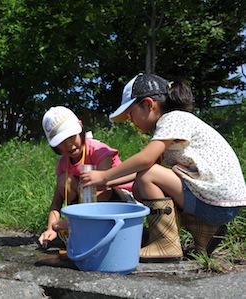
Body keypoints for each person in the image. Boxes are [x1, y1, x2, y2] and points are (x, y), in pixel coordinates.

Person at [82, 73, 246, 261]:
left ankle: (165, 244)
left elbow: (145, 162)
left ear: (148, 104)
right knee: (140, 185)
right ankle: (206, 231)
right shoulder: (171, 126)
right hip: (219, 202)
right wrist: (108, 182)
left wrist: (103, 176)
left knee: (146, 177)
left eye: (131, 114)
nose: (131, 121)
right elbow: (143, 171)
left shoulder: (173, 119)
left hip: (216, 201)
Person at [38, 106, 136, 247]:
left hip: (118, 200)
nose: (69, 145)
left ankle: (79, 223)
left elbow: (103, 188)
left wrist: (73, 221)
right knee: (63, 181)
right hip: (87, 204)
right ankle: (81, 224)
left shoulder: (98, 151)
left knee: (97, 189)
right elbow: (56, 202)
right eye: (61, 142)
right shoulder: (64, 163)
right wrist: (50, 229)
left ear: (80, 127)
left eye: (72, 137)